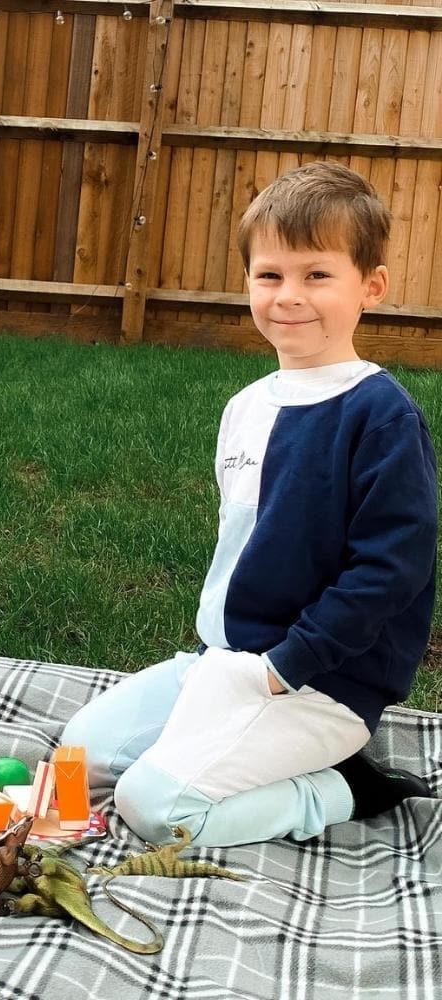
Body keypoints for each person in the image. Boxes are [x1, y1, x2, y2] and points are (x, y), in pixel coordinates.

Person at [62, 162, 437, 847]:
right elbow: (241, 541)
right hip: (223, 663)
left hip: (317, 680)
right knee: (80, 753)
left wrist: (282, 667)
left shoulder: (379, 415)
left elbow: (391, 572)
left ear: (370, 287)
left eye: (317, 275)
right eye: (270, 276)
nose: (290, 296)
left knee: (156, 808)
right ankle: (232, 744)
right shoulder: (246, 408)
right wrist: (228, 666)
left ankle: (342, 785)